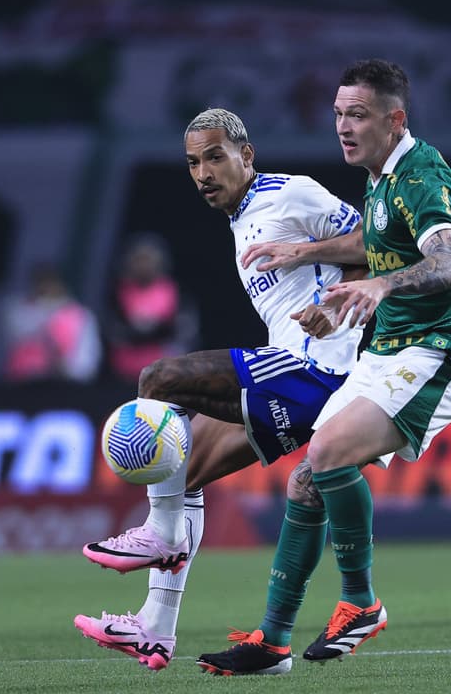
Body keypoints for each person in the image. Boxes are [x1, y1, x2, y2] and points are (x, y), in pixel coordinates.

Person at [195, 58, 451, 674]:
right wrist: (308, 253)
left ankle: (361, 602)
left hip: (440, 350)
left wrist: (380, 289)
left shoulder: (419, 177)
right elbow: (373, 243)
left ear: (394, 118)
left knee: (325, 453)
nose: (344, 127)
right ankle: (272, 642)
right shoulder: (381, 178)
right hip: (391, 350)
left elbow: (448, 263)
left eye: (358, 115)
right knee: (307, 478)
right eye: (338, 115)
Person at [73, 107, 365, 672]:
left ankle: (161, 533)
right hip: (299, 376)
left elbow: (375, 241)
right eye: (192, 163)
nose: (203, 172)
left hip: (313, 369)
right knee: (179, 467)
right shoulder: (242, 219)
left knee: (157, 380)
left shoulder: (290, 193)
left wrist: (336, 303)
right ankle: (155, 629)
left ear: (246, 155)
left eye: (214, 157)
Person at [104, 233, 198, 383]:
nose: (144, 266)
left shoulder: (174, 292)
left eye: (148, 260)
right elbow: (112, 331)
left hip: (161, 373)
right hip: (122, 373)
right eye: (139, 260)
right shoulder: (118, 291)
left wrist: (151, 330)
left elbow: (184, 332)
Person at [3, 262, 102, 383]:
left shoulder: (81, 315)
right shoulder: (20, 312)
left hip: (68, 385)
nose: (46, 288)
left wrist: (69, 369)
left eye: (51, 283)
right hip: (25, 384)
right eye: (41, 283)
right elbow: (17, 338)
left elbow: (87, 357)